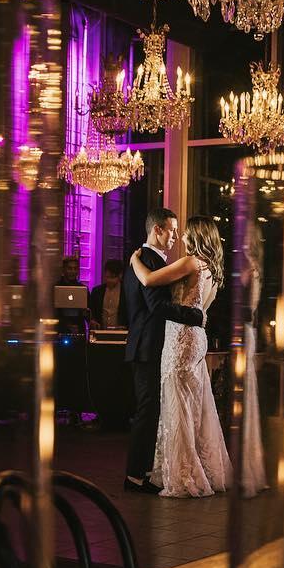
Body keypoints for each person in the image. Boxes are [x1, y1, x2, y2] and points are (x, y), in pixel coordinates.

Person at [130, 215, 231, 498]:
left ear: (197, 236)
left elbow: (149, 280)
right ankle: (196, 466)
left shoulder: (191, 262)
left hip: (182, 338)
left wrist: (134, 260)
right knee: (194, 403)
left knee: (177, 403)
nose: (182, 236)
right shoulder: (212, 268)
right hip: (198, 337)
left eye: (186, 232)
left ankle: (183, 472)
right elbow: (202, 311)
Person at [123, 208, 204, 494]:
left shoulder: (142, 261)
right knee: (147, 411)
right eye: (171, 230)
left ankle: (144, 470)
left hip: (145, 344)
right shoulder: (148, 260)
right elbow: (157, 307)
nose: (174, 237)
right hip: (148, 346)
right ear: (157, 229)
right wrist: (196, 316)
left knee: (151, 409)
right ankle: (134, 476)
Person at [239, 230, 268, 495]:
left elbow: (244, 305)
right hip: (248, 331)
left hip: (244, 332)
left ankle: (246, 466)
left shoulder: (248, 267)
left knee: (245, 394)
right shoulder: (253, 265)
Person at [89, 259, 125, 329]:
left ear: (120, 276)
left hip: (120, 332)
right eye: (107, 277)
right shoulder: (97, 291)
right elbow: (91, 312)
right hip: (100, 331)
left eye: (112, 277)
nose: (109, 280)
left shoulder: (126, 292)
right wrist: (93, 321)